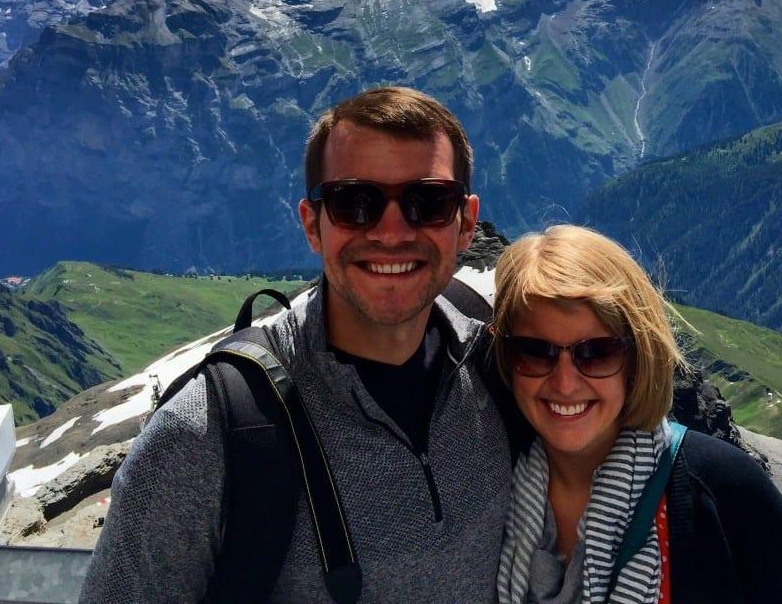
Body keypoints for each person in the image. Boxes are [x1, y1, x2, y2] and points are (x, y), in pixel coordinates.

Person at [79, 86, 512, 604]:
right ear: (313, 224)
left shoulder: (502, 365)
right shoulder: (206, 437)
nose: (393, 231)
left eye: (429, 203)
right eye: (356, 203)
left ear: (466, 222)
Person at [493, 225, 782, 604]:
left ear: (637, 358)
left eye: (597, 352)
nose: (565, 383)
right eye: (536, 351)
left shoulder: (728, 492)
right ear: (506, 356)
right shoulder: (482, 486)